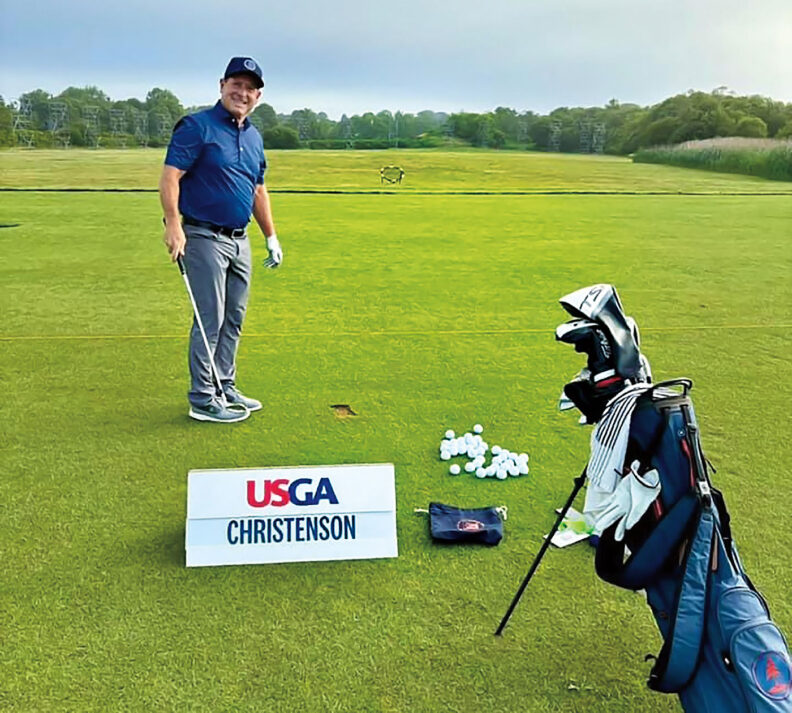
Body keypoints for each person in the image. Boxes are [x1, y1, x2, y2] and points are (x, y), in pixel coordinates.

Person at [159, 56, 283, 423]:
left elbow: (258, 189)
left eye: (249, 88)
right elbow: (171, 176)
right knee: (209, 318)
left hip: (239, 238)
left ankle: (224, 385)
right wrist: (173, 224)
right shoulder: (197, 127)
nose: (242, 93)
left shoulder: (255, 136)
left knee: (234, 318)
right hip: (203, 235)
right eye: (236, 84)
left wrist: (271, 236)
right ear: (221, 85)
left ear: (258, 95)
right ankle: (202, 398)